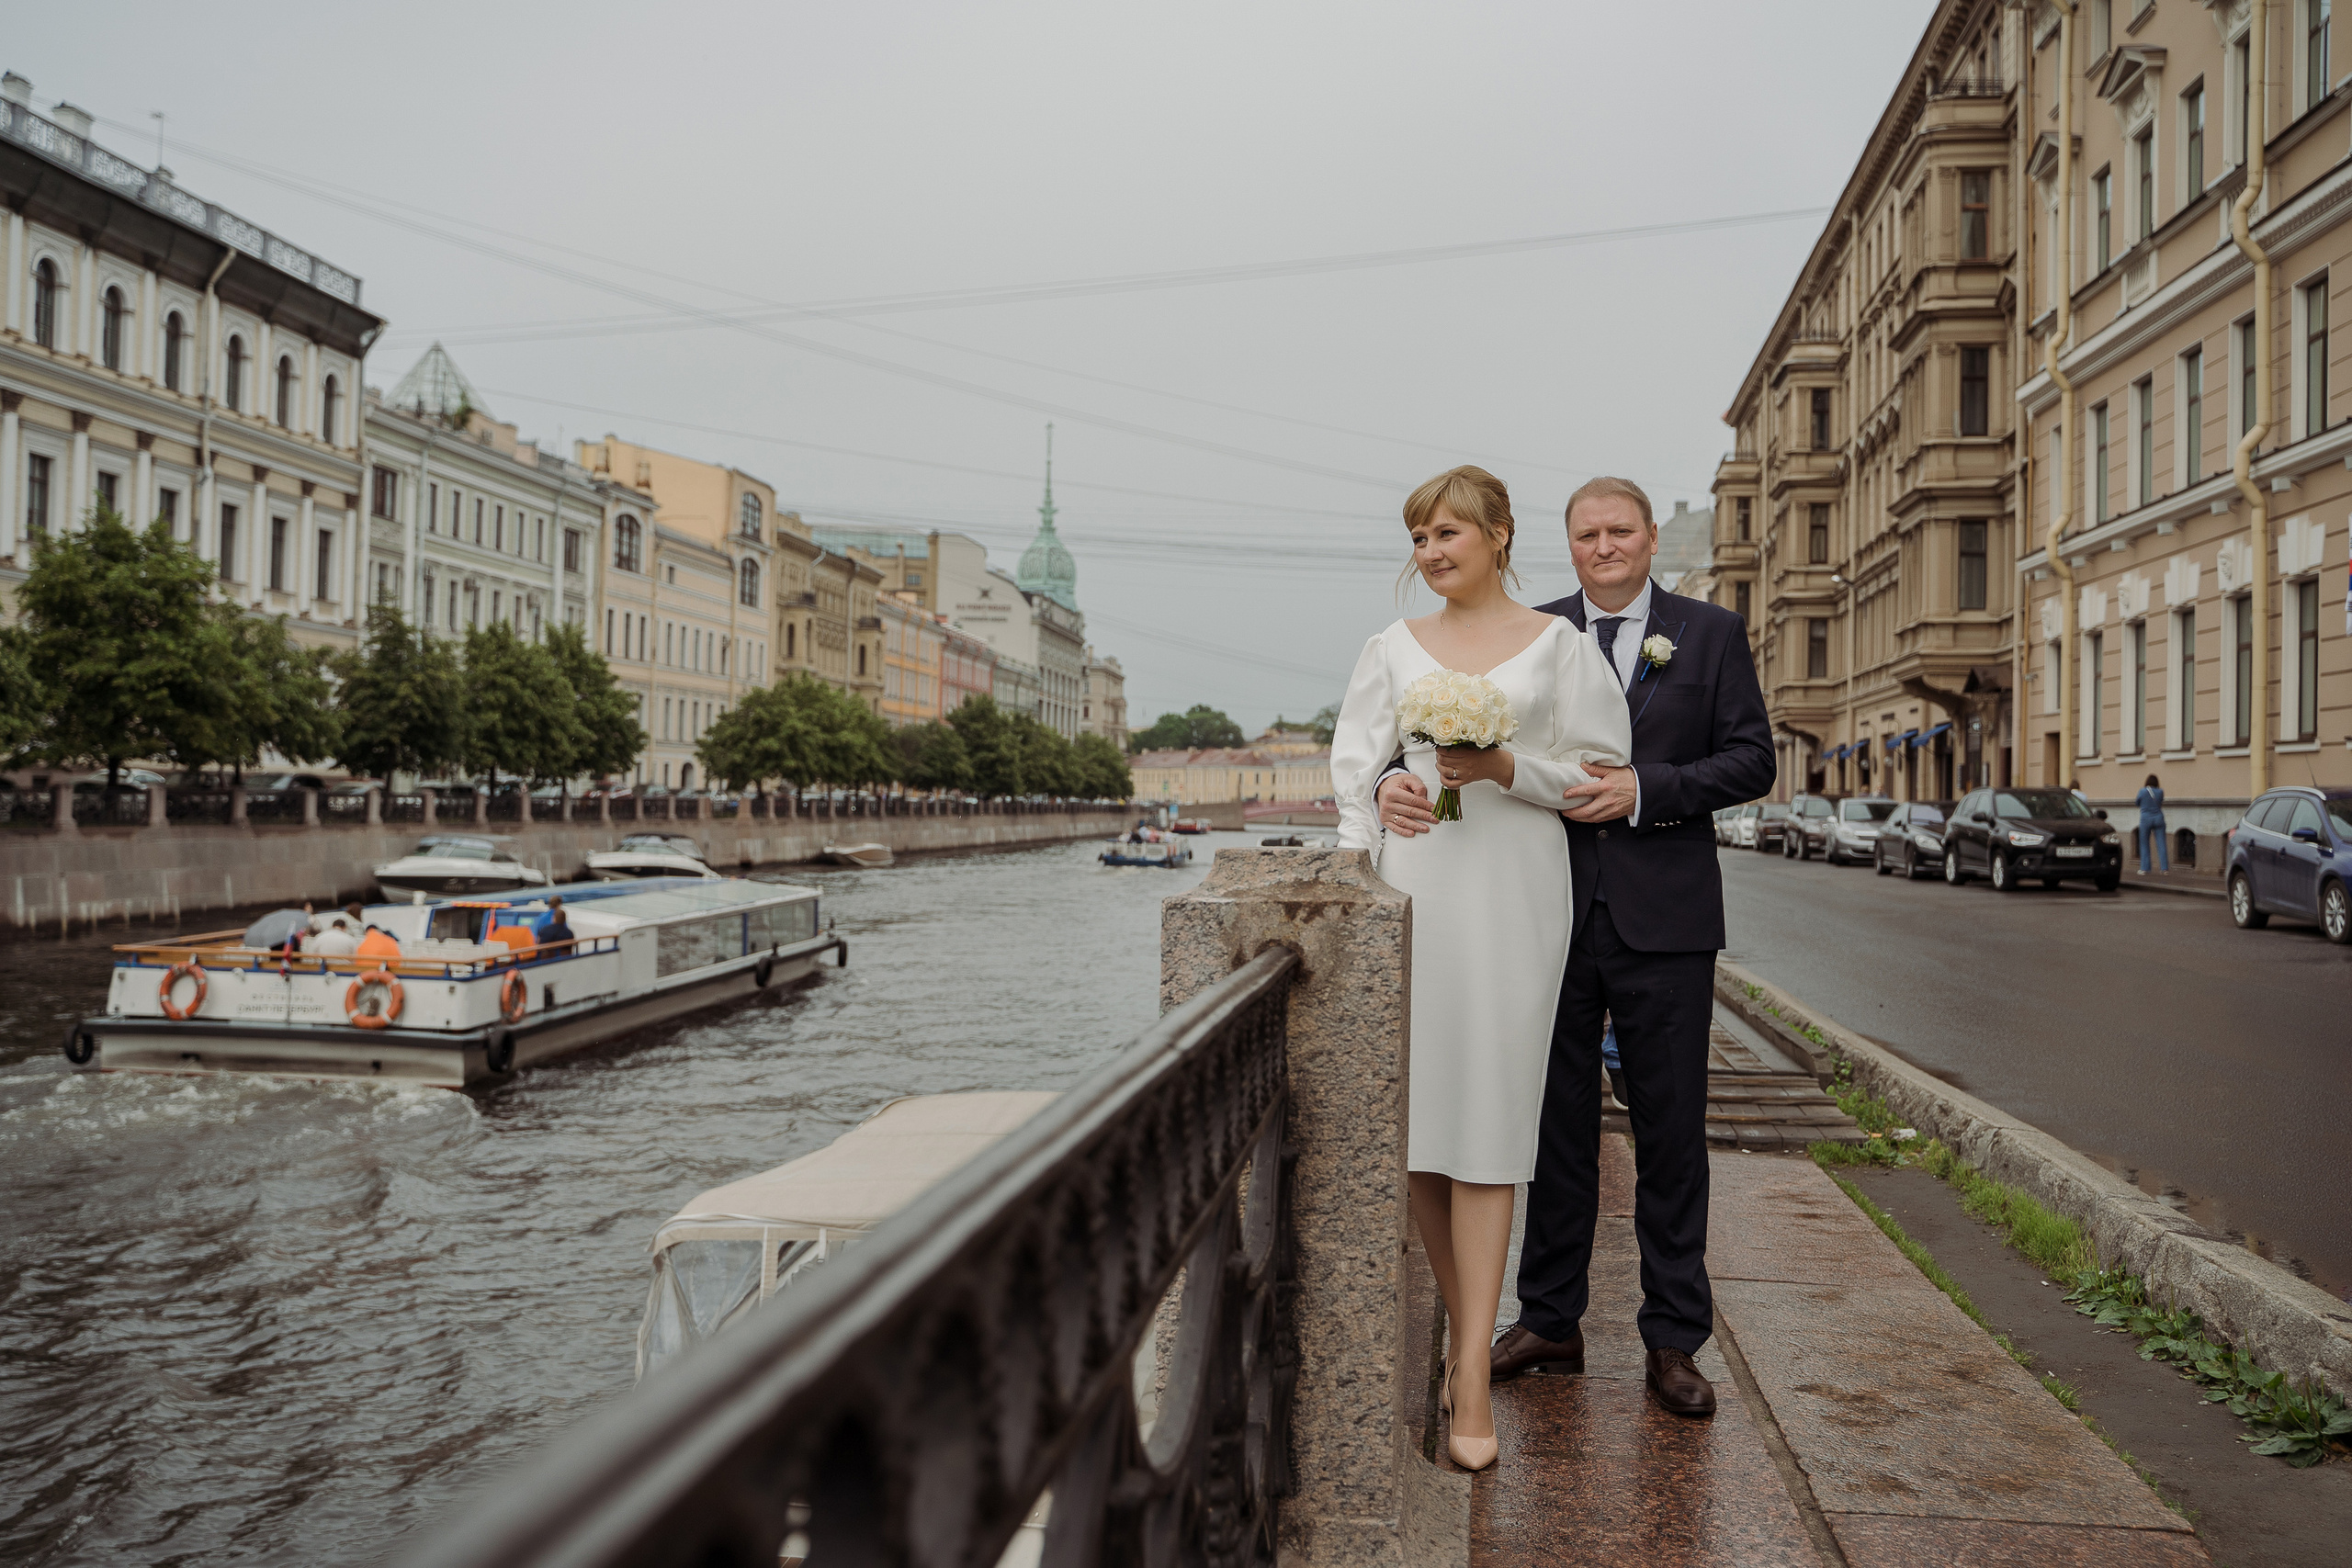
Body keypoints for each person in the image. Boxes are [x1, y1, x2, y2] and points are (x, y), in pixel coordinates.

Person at [1377, 475, 1773, 1423]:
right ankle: (1549, 1318)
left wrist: (1645, 788)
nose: (1604, 547)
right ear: (1563, 544)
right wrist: (1396, 776)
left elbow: (1751, 759)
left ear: (1648, 541)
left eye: (1620, 531)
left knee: (1669, 1135)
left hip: (1664, 920)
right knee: (1547, 1128)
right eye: (1587, 534)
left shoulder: (1709, 633)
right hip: (1539, 914)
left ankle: (1673, 1339)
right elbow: (1421, 743)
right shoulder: (1529, 633)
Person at [1332, 465, 1630, 1472]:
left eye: (1448, 533)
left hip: (1514, 891)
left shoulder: (1561, 648)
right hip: (1420, 885)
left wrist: (1507, 768)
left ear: (1499, 535)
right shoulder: (1388, 649)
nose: (1430, 553)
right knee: (1419, 1121)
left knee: (1494, 1119)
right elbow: (1356, 769)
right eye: (1418, 538)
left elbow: (1599, 773)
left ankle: (1467, 1377)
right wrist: (1385, 800)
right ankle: (1469, 1340)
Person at [2136, 773, 2168, 874]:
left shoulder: (2142, 791)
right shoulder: (2160, 792)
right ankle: (2164, 868)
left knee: (2144, 843)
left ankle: (2145, 868)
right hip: (2159, 818)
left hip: (2146, 819)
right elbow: (2161, 801)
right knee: (2161, 844)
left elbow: (2137, 802)